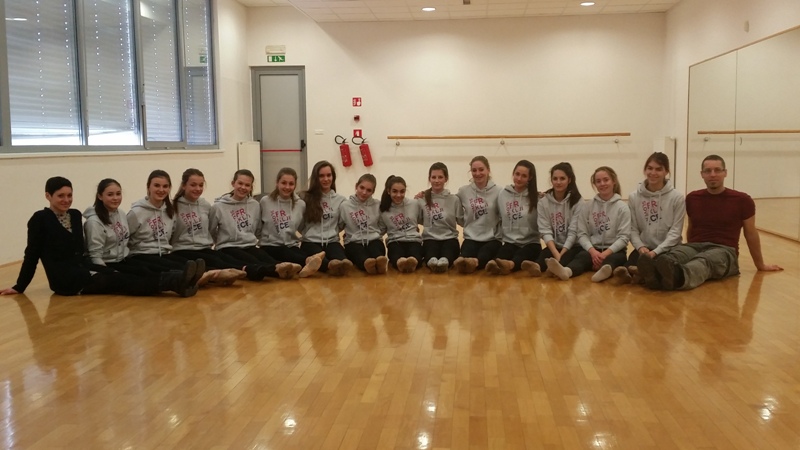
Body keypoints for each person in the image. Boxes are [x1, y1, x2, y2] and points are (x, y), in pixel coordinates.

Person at [0, 177, 202, 298]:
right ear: (48, 196)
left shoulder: (74, 215)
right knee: (122, 281)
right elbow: (31, 254)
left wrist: (100, 267)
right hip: (67, 281)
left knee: (125, 274)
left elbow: (81, 252)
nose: (66, 200)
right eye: (61, 196)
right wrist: (19, 286)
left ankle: (179, 282)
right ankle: (175, 282)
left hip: (85, 268)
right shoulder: (40, 219)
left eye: (69, 195)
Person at [639, 155, 783, 290]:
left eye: (717, 170)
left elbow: (751, 234)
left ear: (725, 173)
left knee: (703, 261)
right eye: (708, 171)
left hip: (725, 251)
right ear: (702, 174)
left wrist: (760, 265)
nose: (713, 174)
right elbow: (692, 227)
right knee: (672, 256)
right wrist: (689, 250)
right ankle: (656, 276)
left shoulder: (742, 200)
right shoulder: (693, 198)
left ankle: (677, 277)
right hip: (695, 246)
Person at [170, 168, 264, 283]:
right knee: (216, 262)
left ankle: (238, 271)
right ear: (184, 185)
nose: (198, 189)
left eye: (201, 185)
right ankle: (240, 271)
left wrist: (207, 242)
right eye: (193, 185)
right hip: (182, 249)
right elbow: (169, 233)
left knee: (224, 259)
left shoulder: (205, 205)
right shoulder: (173, 207)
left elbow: (209, 231)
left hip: (204, 247)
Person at [210, 169, 301, 280]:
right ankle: (276, 271)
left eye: (247, 185)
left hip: (250, 245)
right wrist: (223, 240)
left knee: (266, 258)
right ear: (233, 183)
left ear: (251, 187)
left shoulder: (254, 205)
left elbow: (257, 228)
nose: (243, 187)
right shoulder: (218, 206)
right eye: (240, 183)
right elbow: (211, 230)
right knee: (252, 261)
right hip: (228, 247)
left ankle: (282, 269)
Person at [547, 166, 631, 282]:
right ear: (594, 184)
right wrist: (592, 252)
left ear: (614, 181)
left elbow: (624, 237)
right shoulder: (588, 206)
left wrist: (604, 254)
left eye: (606, 180)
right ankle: (567, 271)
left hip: (614, 251)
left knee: (615, 259)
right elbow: (582, 234)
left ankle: (604, 272)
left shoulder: (623, 208)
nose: (602, 184)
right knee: (581, 257)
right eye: (598, 181)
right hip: (593, 249)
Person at [621, 152, 685, 286]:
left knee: (666, 270)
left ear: (666, 171)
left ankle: (644, 275)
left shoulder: (677, 198)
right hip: (644, 250)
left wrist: (656, 252)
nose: (653, 173)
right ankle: (643, 274)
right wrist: (640, 247)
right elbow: (632, 229)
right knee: (626, 269)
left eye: (658, 169)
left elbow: (675, 232)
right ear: (645, 170)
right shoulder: (634, 197)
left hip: (667, 249)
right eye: (650, 168)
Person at [259, 167, 324, 278]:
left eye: (291, 184)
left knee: (298, 253)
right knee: (286, 253)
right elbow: (258, 225)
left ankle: (302, 267)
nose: (287, 187)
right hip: (270, 245)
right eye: (283, 183)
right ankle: (307, 262)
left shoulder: (300, 204)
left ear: (295, 185)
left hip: (291, 244)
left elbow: (301, 226)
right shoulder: (265, 201)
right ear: (277, 183)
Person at [299, 161, 354, 276]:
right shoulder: (305, 198)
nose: (326, 179)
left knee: (342, 260)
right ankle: (329, 267)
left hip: (332, 241)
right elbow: (299, 223)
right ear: (315, 178)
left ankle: (336, 267)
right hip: (310, 242)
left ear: (333, 177)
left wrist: (332, 232)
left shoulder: (340, 200)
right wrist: (308, 233)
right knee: (320, 261)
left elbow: (341, 224)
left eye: (329, 175)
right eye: (321, 176)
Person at [487, 160, 542, 275]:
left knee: (522, 255)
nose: (519, 178)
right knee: (502, 254)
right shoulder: (503, 194)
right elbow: (498, 216)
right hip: (510, 241)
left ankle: (510, 265)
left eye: (524, 176)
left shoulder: (537, 198)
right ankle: (496, 265)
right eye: (517, 174)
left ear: (530, 178)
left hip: (531, 242)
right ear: (513, 173)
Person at [533, 162, 584, 277]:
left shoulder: (578, 202)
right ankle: (538, 267)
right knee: (543, 257)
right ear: (551, 180)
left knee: (568, 258)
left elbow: (573, 231)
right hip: (555, 245)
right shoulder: (543, 202)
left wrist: (561, 254)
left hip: (573, 246)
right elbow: (545, 230)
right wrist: (556, 253)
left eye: (562, 178)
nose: (558, 182)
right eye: (555, 179)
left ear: (569, 180)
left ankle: (555, 269)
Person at [453, 156, 502, 274]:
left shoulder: (499, 191)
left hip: (492, 238)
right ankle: (464, 263)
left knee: (484, 255)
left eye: (481, 169)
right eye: (474, 170)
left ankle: (474, 263)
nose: (477, 173)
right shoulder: (463, 191)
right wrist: (427, 194)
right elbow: (449, 201)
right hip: (471, 238)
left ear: (488, 170)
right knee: (465, 255)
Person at [418, 162, 463, 273]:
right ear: (429, 179)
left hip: (450, 238)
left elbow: (462, 220)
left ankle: (444, 263)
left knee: (447, 255)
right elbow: (419, 219)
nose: (437, 180)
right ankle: (433, 264)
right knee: (431, 255)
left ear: (446, 179)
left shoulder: (454, 200)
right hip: (430, 238)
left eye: (440, 177)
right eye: (433, 177)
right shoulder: (422, 199)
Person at [340, 174, 388, 274]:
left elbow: (382, 225)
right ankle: (367, 265)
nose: (364, 192)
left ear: (373, 192)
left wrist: (376, 234)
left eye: (369, 190)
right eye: (362, 188)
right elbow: (340, 225)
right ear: (356, 186)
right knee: (359, 254)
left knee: (376, 250)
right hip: (354, 242)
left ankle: (380, 264)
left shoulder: (377, 205)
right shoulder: (345, 206)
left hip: (373, 239)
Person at [379, 175, 422, 273]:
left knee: (416, 256)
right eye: (395, 191)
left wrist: (424, 196)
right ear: (388, 191)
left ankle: (411, 265)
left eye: (402, 191)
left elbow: (423, 219)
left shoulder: (414, 204)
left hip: (413, 240)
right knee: (396, 256)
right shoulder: (383, 209)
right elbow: (381, 230)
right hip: (395, 241)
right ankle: (401, 265)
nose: (398, 195)